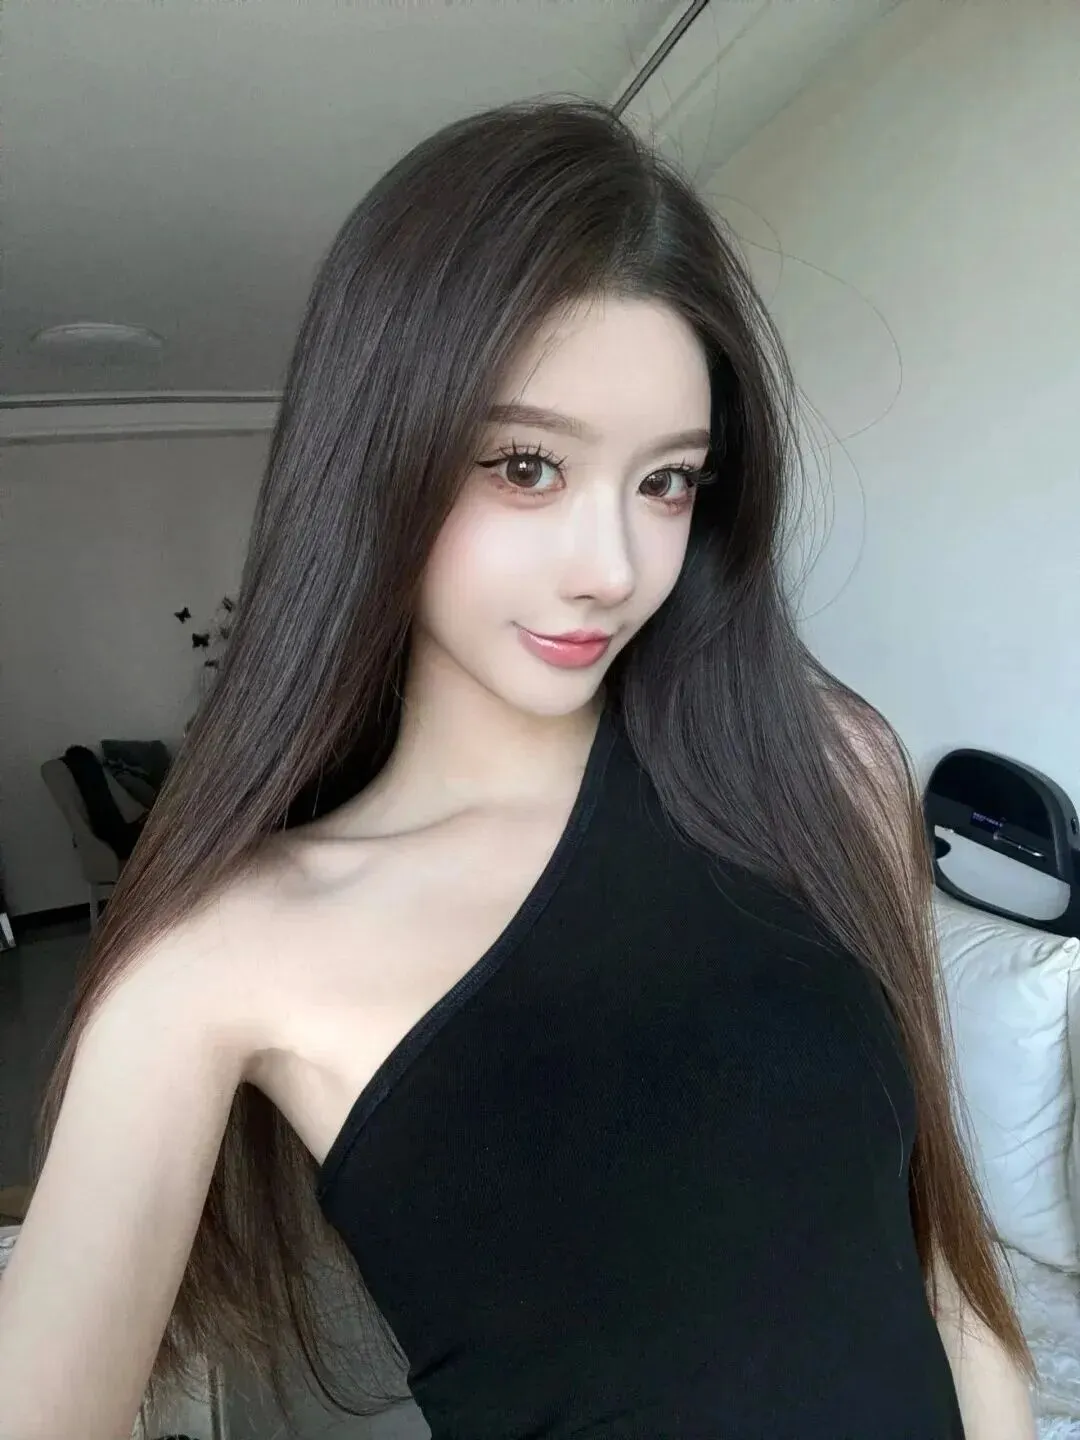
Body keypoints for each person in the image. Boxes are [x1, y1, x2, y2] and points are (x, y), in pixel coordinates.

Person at [0, 98, 1037, 1440]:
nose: (610, 567)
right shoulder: (221, 956)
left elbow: (948, 1264)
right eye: (527, 466)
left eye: (668, 482)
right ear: (376, 465)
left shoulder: (830, 774)